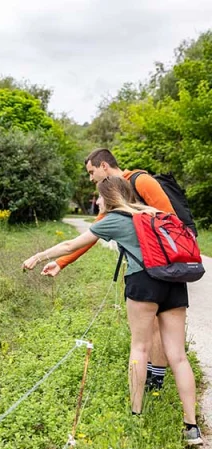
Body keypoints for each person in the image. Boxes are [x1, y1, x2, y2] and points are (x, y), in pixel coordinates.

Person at [22, 176, 202, 445]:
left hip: (144, 283)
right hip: (175, 282)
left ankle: (136, 414)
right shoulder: (154, 213)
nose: (97, 202)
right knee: (177, 356)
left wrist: (38, 257)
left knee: (139, 348)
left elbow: (72, 244)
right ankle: (192, 428)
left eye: (99, 198)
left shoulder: (116, 219)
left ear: (107, 198)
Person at [44, 148, 174, 391]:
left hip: (165, 267)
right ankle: (152, 380)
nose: (91, 178)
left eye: (92, 172)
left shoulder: (142, 181)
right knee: (150, 324)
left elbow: (171, 220)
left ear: (104, 166)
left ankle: (157, 379)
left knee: (159, 323)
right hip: (139, 268)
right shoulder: (111, 196)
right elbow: (91, 236)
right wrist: (62, 262)